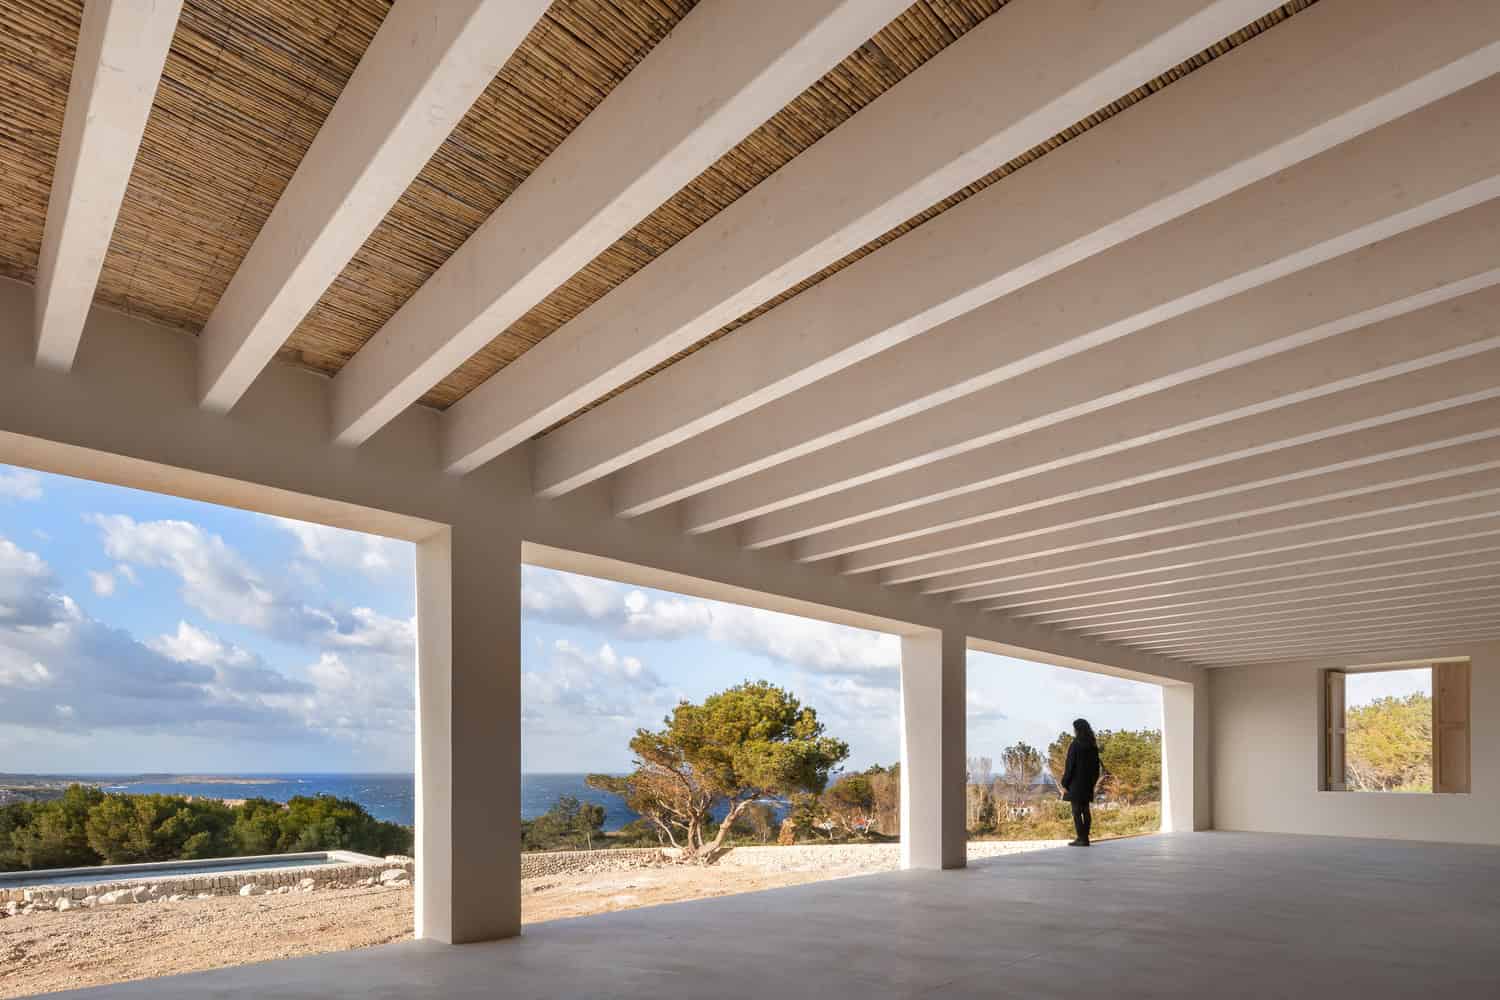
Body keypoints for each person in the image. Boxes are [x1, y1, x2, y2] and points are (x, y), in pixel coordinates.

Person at [1061, 718, 1101, 846]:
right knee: (1086, 810)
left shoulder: (1075, 745)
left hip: (1076, 784)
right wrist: (1093, 782)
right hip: (1088, 783)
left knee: (1076, 812)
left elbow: (1070, 765)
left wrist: (1065, 783)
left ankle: (1081, 838)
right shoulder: (1092, 745)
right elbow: (1096, 767)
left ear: (1077, 730)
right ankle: (1085, 837)